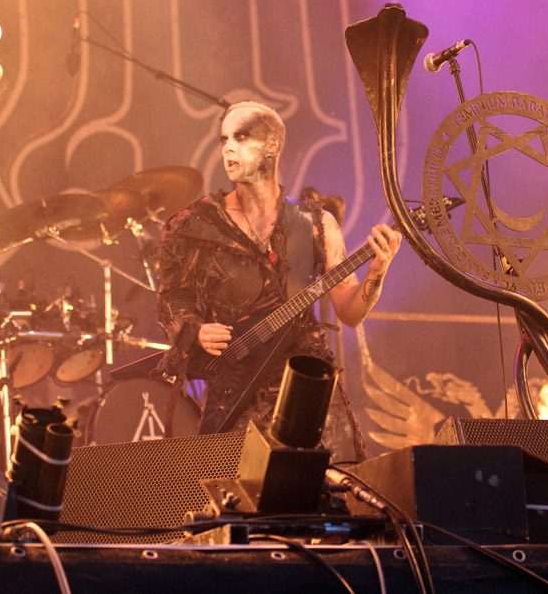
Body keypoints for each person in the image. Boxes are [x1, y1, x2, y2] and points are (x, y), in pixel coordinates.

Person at [156, 101, 401, 462]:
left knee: (332, 489)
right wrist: (195, 330)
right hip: (236, 389)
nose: (228, 148)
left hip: (307, 386)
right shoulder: (195, 225)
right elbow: (172, 298)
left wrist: (377, 273)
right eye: (224, 139)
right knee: (239, 492)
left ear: (273, 145)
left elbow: (350, 312)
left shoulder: (315, 224)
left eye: (241, 137)